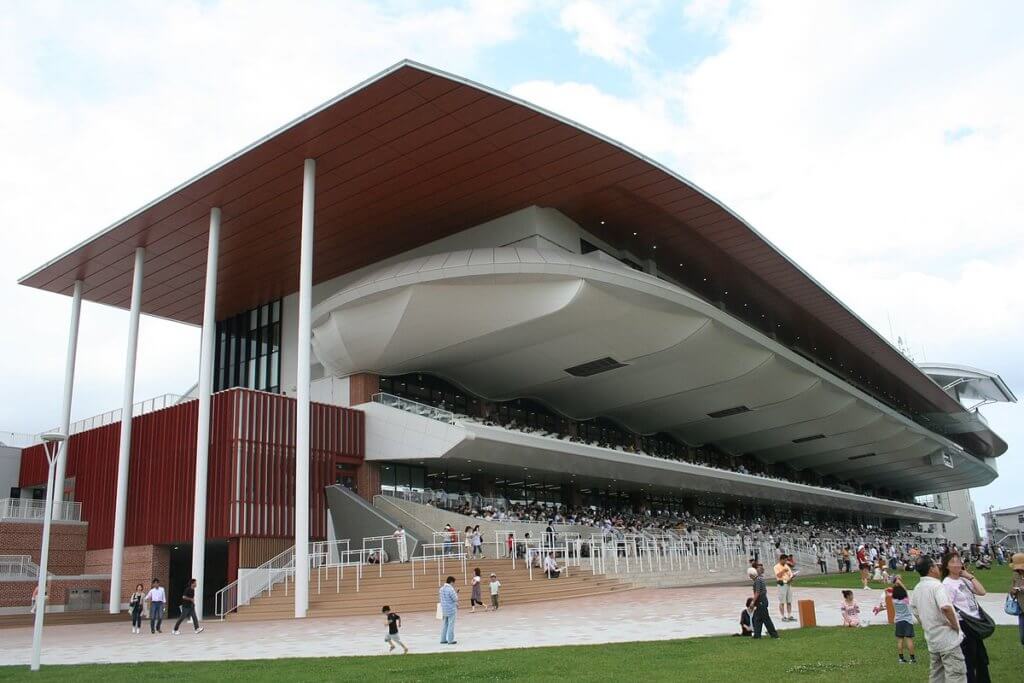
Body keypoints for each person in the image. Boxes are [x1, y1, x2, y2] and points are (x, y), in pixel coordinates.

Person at [910, 555, 966, 683]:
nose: (938, 568)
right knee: (956, 675)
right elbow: (945, 607)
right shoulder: (937, 586)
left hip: (932, 639)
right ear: (931, 569)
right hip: (947, 638)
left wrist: (927, 622)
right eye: (936, 565)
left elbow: (914, 610)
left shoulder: (918, 588)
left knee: (937, 675)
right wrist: (955, 625)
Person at [940, 552, 990, 682]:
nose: (957, 564)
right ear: (946, 566)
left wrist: (969, 576)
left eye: (958, 561)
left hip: (975, 622)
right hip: (964, 624)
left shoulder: (963, 580)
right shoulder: (947, 584)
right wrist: (956, 627)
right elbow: (947, 607)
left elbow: (982, 592)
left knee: (981, 660)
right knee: (969, 660)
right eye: (953, 562)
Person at [748, 564, 778, 639]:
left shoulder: (757, 580)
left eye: (749, 575)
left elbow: (757, 592)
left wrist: (752, 602)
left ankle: (774, 635)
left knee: (766, 619)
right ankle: (757, 635)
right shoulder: (760, 579)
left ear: (751, 575)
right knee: (757, 619)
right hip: (761, 601)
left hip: (761, 601)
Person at [890, 580, 917, 664]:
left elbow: (892, 591)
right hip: (907, 621)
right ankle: (912, 659)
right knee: (909, 639)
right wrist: (900, 583)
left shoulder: (893, 600)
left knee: (900, 640)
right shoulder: (905, 600)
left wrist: (895, 583)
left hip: (898, 621)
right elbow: (905, 590)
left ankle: (901, 659)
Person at [773, 554, 794, 622]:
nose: (785, 561)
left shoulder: (786, 566)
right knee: (782, 601)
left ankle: (789, 615)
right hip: (782, 584)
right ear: (781, 560)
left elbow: (791, 574)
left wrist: (791, 578)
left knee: (789, 600)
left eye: (786, 560)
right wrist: (783, 571)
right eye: (784, 560)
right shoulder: (776, 567)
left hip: (788, 583)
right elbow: (778, 575)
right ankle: (782, 616)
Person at [438, 576, 458, 645]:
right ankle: (450, 640)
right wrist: (456, 593)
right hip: (451, 609)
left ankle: (443, 639)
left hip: (444, 609)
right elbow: (455, 599)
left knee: (444, 624)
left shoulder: (441, 589)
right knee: (451, 625)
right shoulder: (450, 589)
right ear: (451, 582)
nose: (454, 584)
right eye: (453, 583)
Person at [1010, 552, 1024, 647]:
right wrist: (1013, 591)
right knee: (1023, 637)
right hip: (1021, 608)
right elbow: (1012, 589)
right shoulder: (1015, 575)